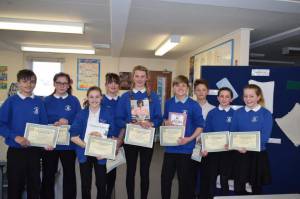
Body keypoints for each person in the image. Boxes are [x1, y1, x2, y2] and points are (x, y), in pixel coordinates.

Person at [116, 65, 162, 199]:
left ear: (147, 77)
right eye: (137, 76)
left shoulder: (152, 96)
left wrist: (151, 123)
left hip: (147, 138)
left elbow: (158, 117)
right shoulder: (125, 97)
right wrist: (128, 124)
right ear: (133, 77)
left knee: (144, 172)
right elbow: (118, 118)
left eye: (143, 76)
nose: (140, 79)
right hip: (131, 138)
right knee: (130, 171)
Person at [0, 69, 48, 199]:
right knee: (15, 186)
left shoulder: (39, 102)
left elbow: (44, 125)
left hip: (34, 152)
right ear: (18, 83)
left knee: (34, 186)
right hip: (16, 151)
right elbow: (1, 125)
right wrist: (15, 137)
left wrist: (48, 140)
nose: (28, 84)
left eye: (32, 82)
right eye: (25, 81)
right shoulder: (11, 101)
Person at [161, 75, 204, 199]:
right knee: (165, 180)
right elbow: (165, 119)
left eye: (183, 85)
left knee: (184, 182)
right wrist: (165, 122)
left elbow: (200, 126)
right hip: (170, 148)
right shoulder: (169, 102)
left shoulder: (194, 105)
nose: (180, 88)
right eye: (177, 85)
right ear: (173, 87)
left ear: (188, 88)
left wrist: (189, 139)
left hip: (186, 149)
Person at [40, 72, 81, 199]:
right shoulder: (46, 101)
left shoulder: (74, 101)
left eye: (65, 83)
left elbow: (80, 121)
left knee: (69, 176)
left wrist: (69, 122)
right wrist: (52, 124)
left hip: (68, 145)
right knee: (48, 175)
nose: (62, 85)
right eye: (59, 83)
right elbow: (41, 121)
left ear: (69, 85)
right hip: (50, 145)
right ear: (54, 84)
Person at [70, 86, 115, 199]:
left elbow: (112, 136)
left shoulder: (108, 114)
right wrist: (89, 147)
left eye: (97, 97)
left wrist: (104, 151)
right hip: (84, 152)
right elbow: (73, 136)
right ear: (87, 99)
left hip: (101, 155)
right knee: (85, 184)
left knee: (101, 184)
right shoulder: (81, 114)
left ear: (101, 98)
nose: (94, 100)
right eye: (91, 97)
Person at [230, 84, 272, 195]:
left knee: (256, 189)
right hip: (240, 154)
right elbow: (232, 133)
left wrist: (247, 146)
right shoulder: (238, 113)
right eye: (245, 96)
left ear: (258, 97)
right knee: (239, 188)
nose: (248, 99)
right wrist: (237, 146)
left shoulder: (265, 114)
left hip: (257, 155)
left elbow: (265, 137)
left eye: (251, 96)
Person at [200, 87, 235, 198]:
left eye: (227, 96)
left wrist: (232, 143)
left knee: (225, 179)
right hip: (213, 152)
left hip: (228, 152)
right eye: (221, 96)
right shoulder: (212, 113)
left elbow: (237, 132)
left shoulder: (236, 114)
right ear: (217, 98)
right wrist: (204, 147)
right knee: (212, 178)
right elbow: (207, 132)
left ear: (231, 99)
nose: (224, 99)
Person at [193, 79, 215, 199]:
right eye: (198, 90)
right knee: (191, 175)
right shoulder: (190, 106)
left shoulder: (213, 109)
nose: (201, 92)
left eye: (204, 90)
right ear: (195, 92)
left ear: (208, 92)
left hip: (207, 147)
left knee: (205, 175)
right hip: (191, 145)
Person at [101, 73, 122, 199]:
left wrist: (119, 140)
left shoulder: (123, 101)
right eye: (110, 82)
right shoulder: (100, 100)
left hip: (117, 142)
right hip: (102, 142)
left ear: (119, 85)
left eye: (115, 82)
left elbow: (126, 123)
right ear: (106, 85)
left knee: (112, 172)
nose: (113, 85)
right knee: (101, 173)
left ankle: (109, 195)